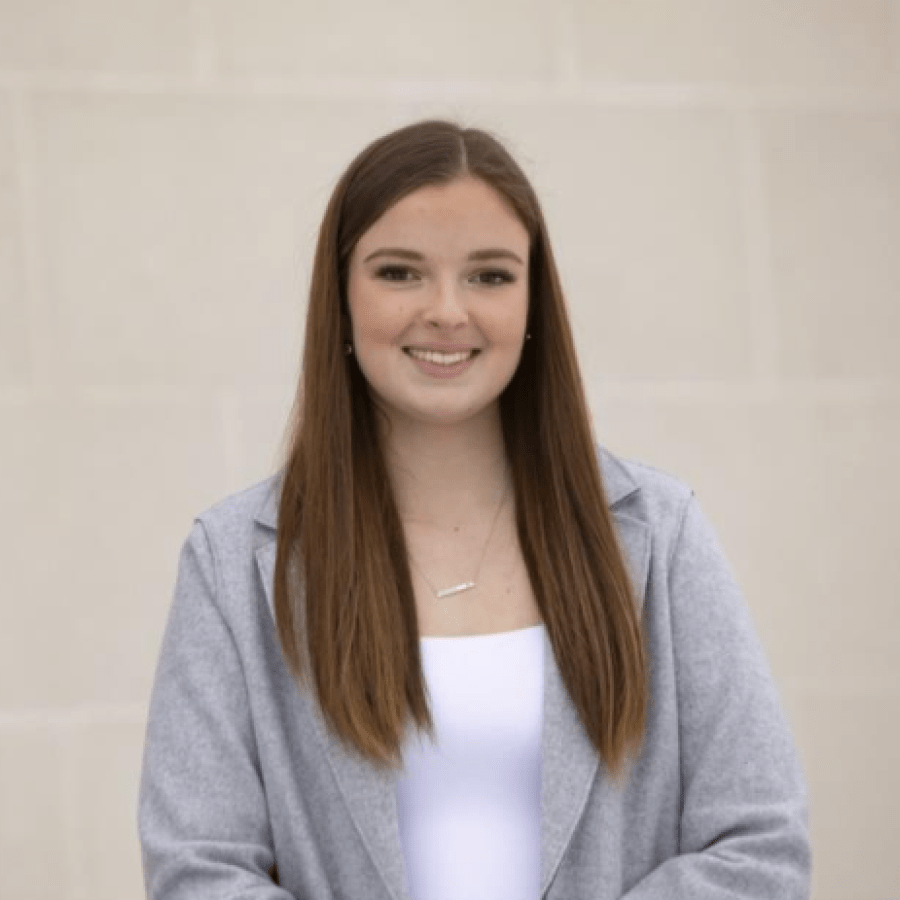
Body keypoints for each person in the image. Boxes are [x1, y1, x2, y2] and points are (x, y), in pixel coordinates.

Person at [138, 119, 811, 900]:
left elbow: (760, 847)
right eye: (400, 273)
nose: (448, 311)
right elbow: (199, 870)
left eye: (490, 276)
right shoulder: (229, 561)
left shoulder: (661, 534)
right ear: (341, 296)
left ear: (533, 301)